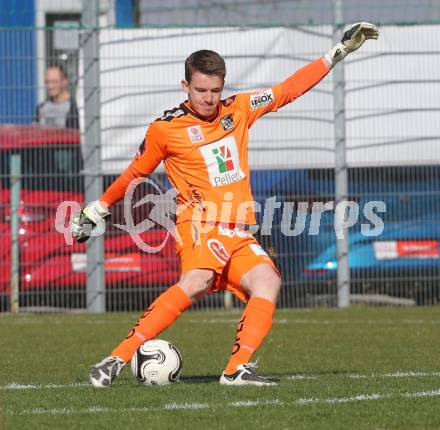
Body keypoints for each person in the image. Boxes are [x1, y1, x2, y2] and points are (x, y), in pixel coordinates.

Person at [71, 22, 379, 387]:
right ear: (185, 86)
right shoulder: (165, 129)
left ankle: (235, 371)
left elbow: (288, 90)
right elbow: (134, 172)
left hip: (237, 228)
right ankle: (114, 360)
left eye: (216, 90)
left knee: (267, 281)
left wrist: (337, 53)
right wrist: (99, 208)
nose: (209, 98)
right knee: (197, 281)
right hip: (200, 224)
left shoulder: (240, 109)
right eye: (201, 90)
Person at [34, 64, 79, 129]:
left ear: (65, 81)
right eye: (47, 82)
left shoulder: (75, 108)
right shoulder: (41, 108)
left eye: (54, 81)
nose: (50, 86)